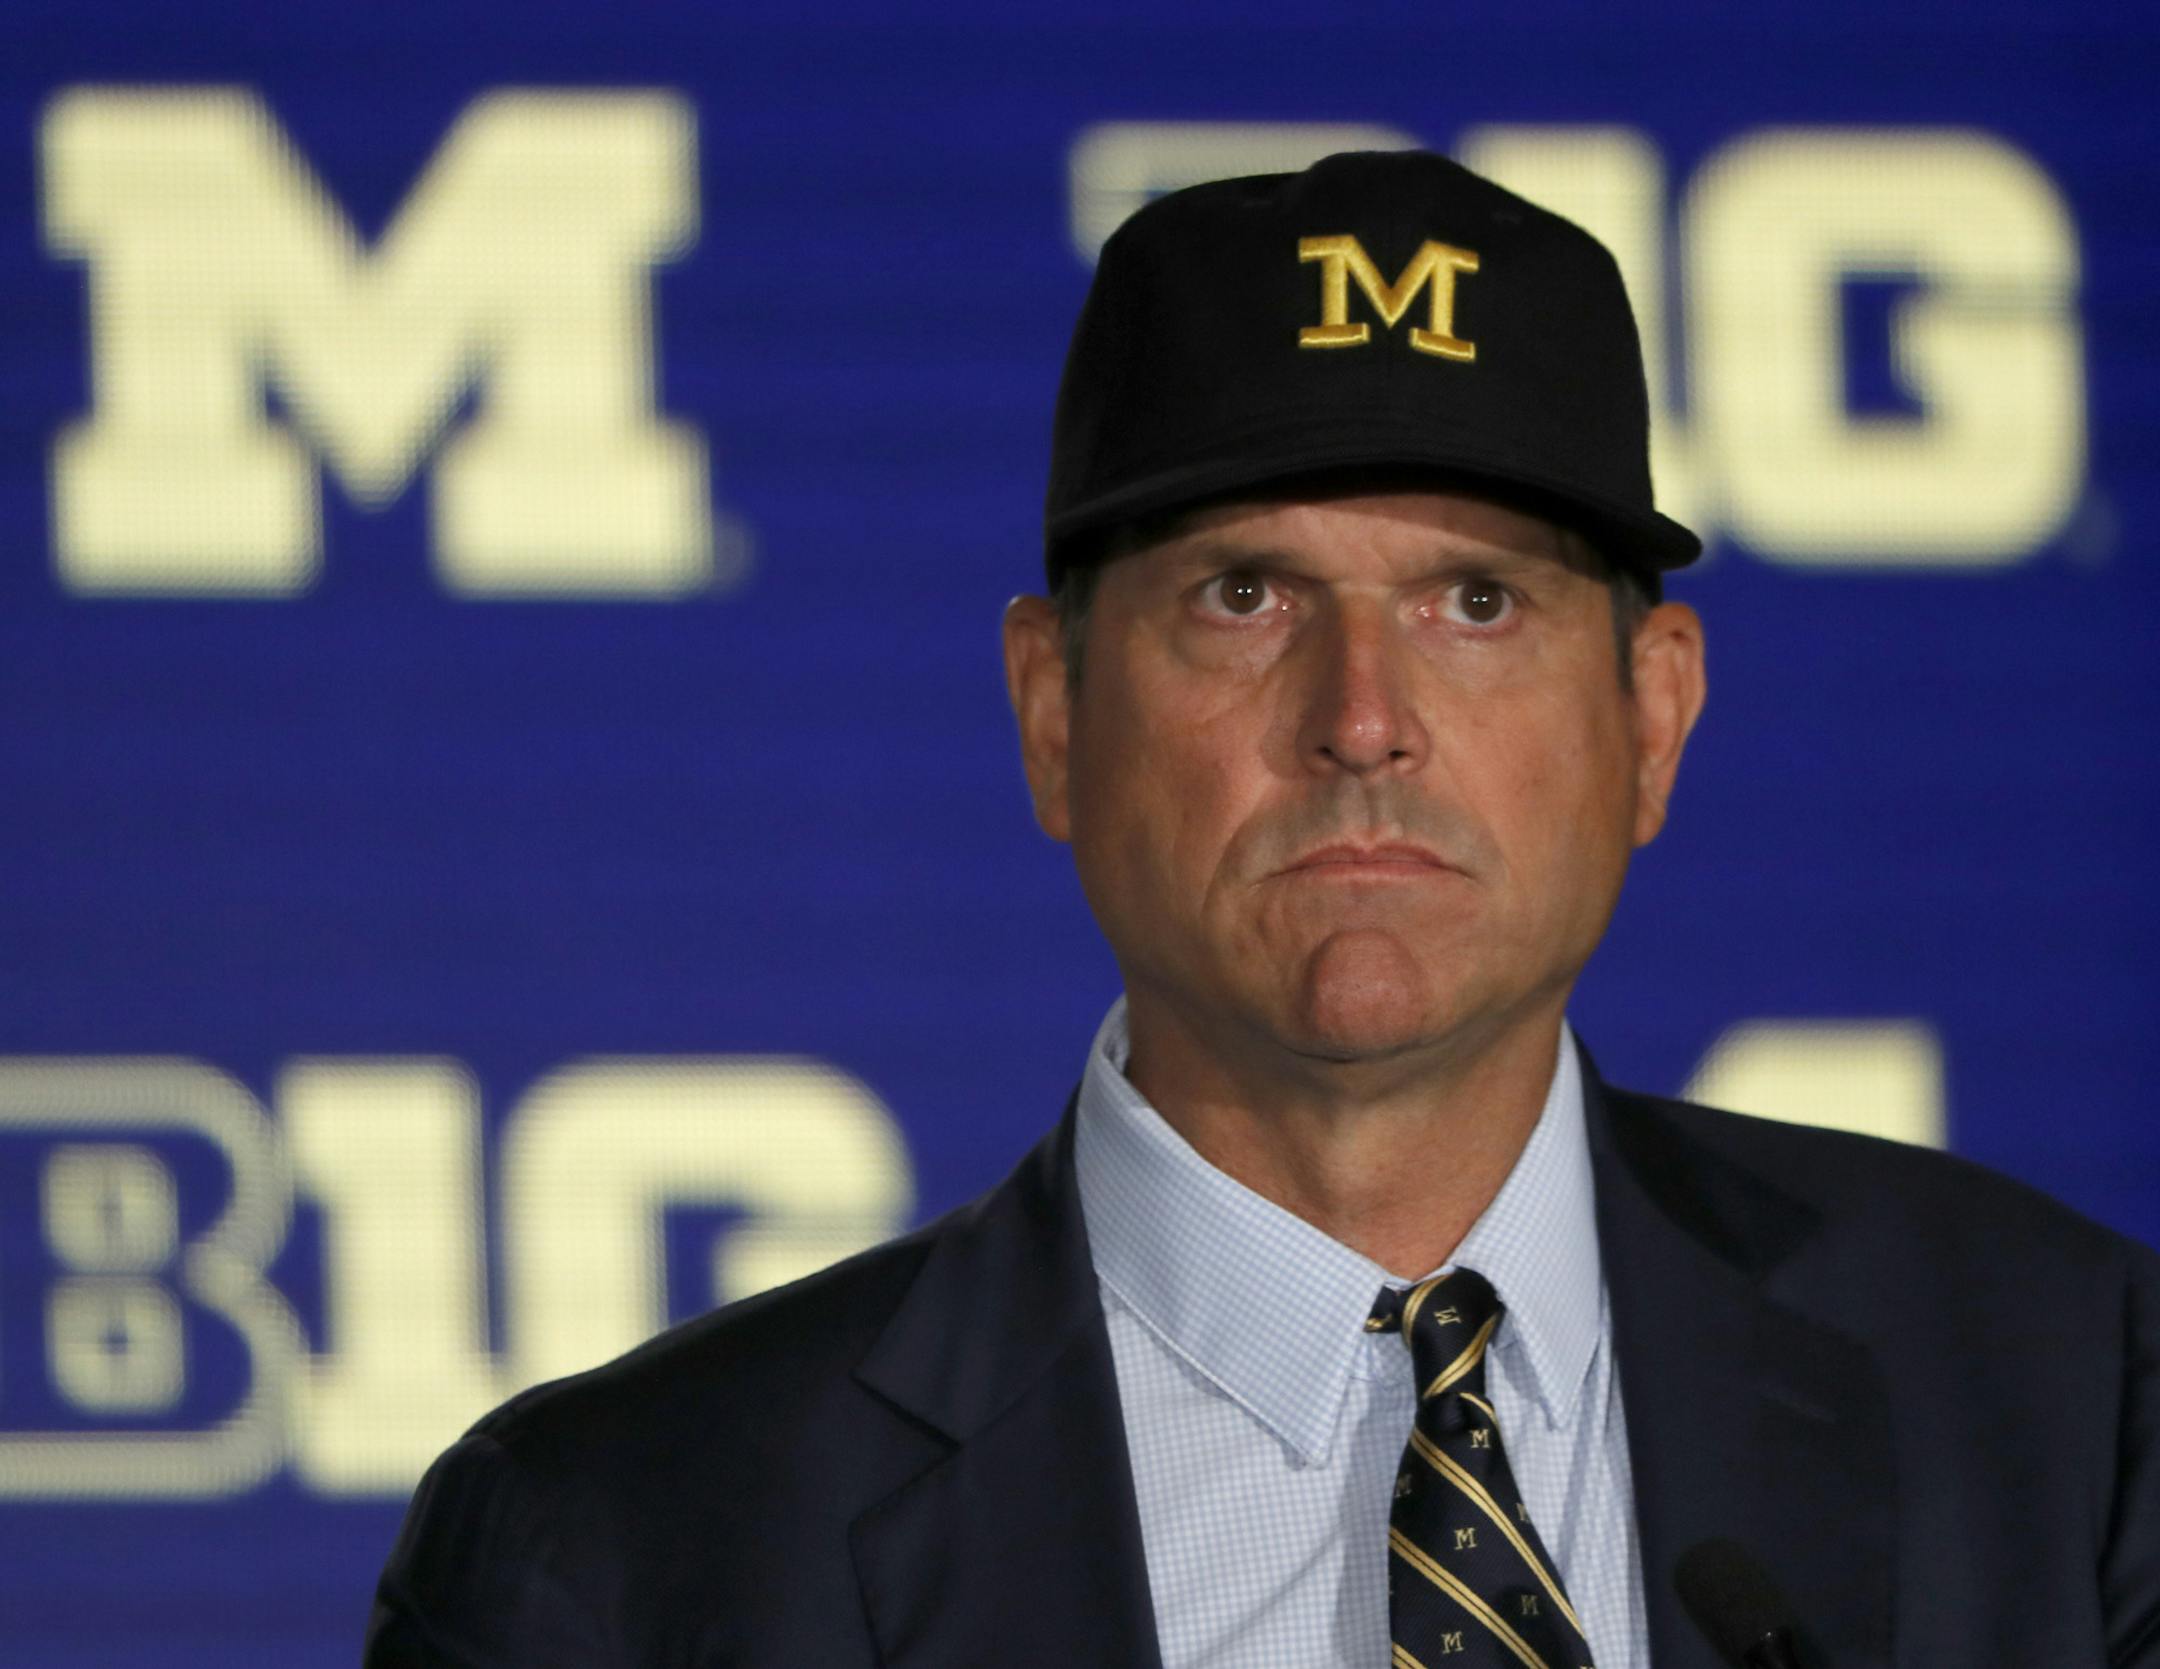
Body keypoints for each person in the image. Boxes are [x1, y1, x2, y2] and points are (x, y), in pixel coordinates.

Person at [365, 150, 2159, 1668]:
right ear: (1053, 713)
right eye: (1244, 594)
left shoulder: (2071, 1405)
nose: (1362, 713)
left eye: (1476, 602)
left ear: (1652, 719)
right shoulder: (620, 1556)